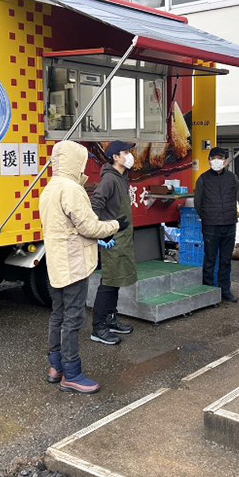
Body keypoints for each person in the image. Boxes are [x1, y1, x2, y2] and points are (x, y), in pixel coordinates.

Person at [39, 140, 127, 393]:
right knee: (73, 318)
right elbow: (88, 226)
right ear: (74, 161)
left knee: (58, 315)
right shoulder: (72, 189)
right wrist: (114, 226)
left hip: (56, 263)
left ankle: (55, 367)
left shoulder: (50, 188)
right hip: (74, 263)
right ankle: (72, 373)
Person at [89, 141, 137, 346]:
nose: (129, 155)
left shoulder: (121, 177)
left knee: (115, 281)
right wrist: (102, 233)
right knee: (108, 282)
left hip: (122, 237)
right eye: (125, 152)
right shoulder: (109, 179)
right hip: (112, 238)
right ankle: (98, 328)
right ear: (115, 157)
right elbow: (95, 205)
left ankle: (110, 319)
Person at [194, 146, 239, 302]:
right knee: (210, 259)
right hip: (211, 225)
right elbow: (198, 203)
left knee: (226, 260)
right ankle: (208, 291)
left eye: (220, 158)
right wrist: (207, 217)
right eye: (213, 158)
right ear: (209, 161)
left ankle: (225, 290)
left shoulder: (232, 178)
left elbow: (235, 197)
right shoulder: (203, 179)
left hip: (229, 224)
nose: (216, 161)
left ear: (225, 161)